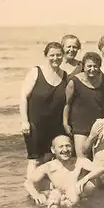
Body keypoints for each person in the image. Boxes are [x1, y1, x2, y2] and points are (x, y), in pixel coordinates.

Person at [20, 42, 68, 179]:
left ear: (63, 56)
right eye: (52, 55)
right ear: (46, 55)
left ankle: (43, 187)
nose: (55, 58)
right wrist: (24, 121)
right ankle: (31, 188)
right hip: (35, 123)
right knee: (35, 160)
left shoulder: (64, 75)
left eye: (59, 55)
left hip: (55, 125)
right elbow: (23, 96)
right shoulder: (36, 72)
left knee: (49, 157)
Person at [24, 135, 104, 208]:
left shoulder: (80, 162)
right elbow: (28, 182)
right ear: (53, 150)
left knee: (72, 194)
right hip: (59, 194)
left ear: (72, 147)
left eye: (68, 146)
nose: (65, 150)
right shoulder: (48, 167)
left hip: (75, 197)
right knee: (53, 198)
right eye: (61, 147)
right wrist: (36, 195)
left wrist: (84, 179)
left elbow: (100, 169)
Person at [63, 52, 104, 158]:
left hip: (97, 125)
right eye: (89, 66)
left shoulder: (102, 80)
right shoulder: (74, 82)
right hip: (79, 126)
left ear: (99, 67)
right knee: (82, 159)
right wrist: (65, 123)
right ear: (83, 66)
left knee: (97, 160)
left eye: (95, 66)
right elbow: (67, 104)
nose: (92, 69)